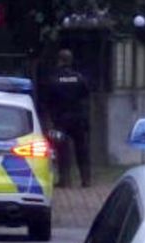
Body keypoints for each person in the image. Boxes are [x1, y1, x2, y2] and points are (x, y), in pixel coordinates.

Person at [45, 49, 91, 188]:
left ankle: (65, 180)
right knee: (82, 149)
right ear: (70, 61)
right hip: (78, 119)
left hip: (60, 121)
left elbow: (49, 101)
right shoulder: (79, 78)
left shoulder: (54, 79)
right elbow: (86, 97)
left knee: (62, 149)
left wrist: (51, 119)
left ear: (59, 61)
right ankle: (85, 179)